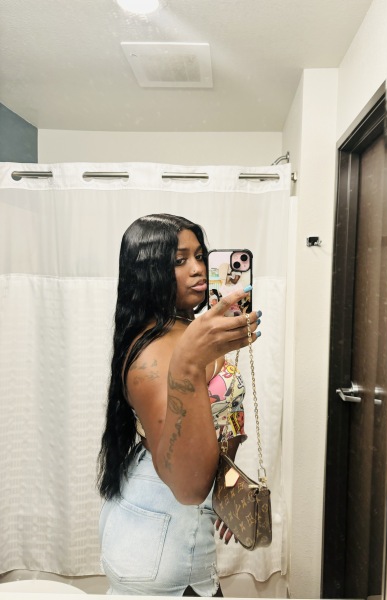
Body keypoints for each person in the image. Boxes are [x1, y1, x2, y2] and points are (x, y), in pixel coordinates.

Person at [97, 214, 261, 596]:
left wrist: (227, 488)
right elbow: (188, 486)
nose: (198, 269)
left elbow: (220, 421)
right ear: (148, 272)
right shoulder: (152, 352)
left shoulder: (188, 330)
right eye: (179, 260)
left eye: (200, 256)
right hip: (161, 533)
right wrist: (188, 361)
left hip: (173, 523)